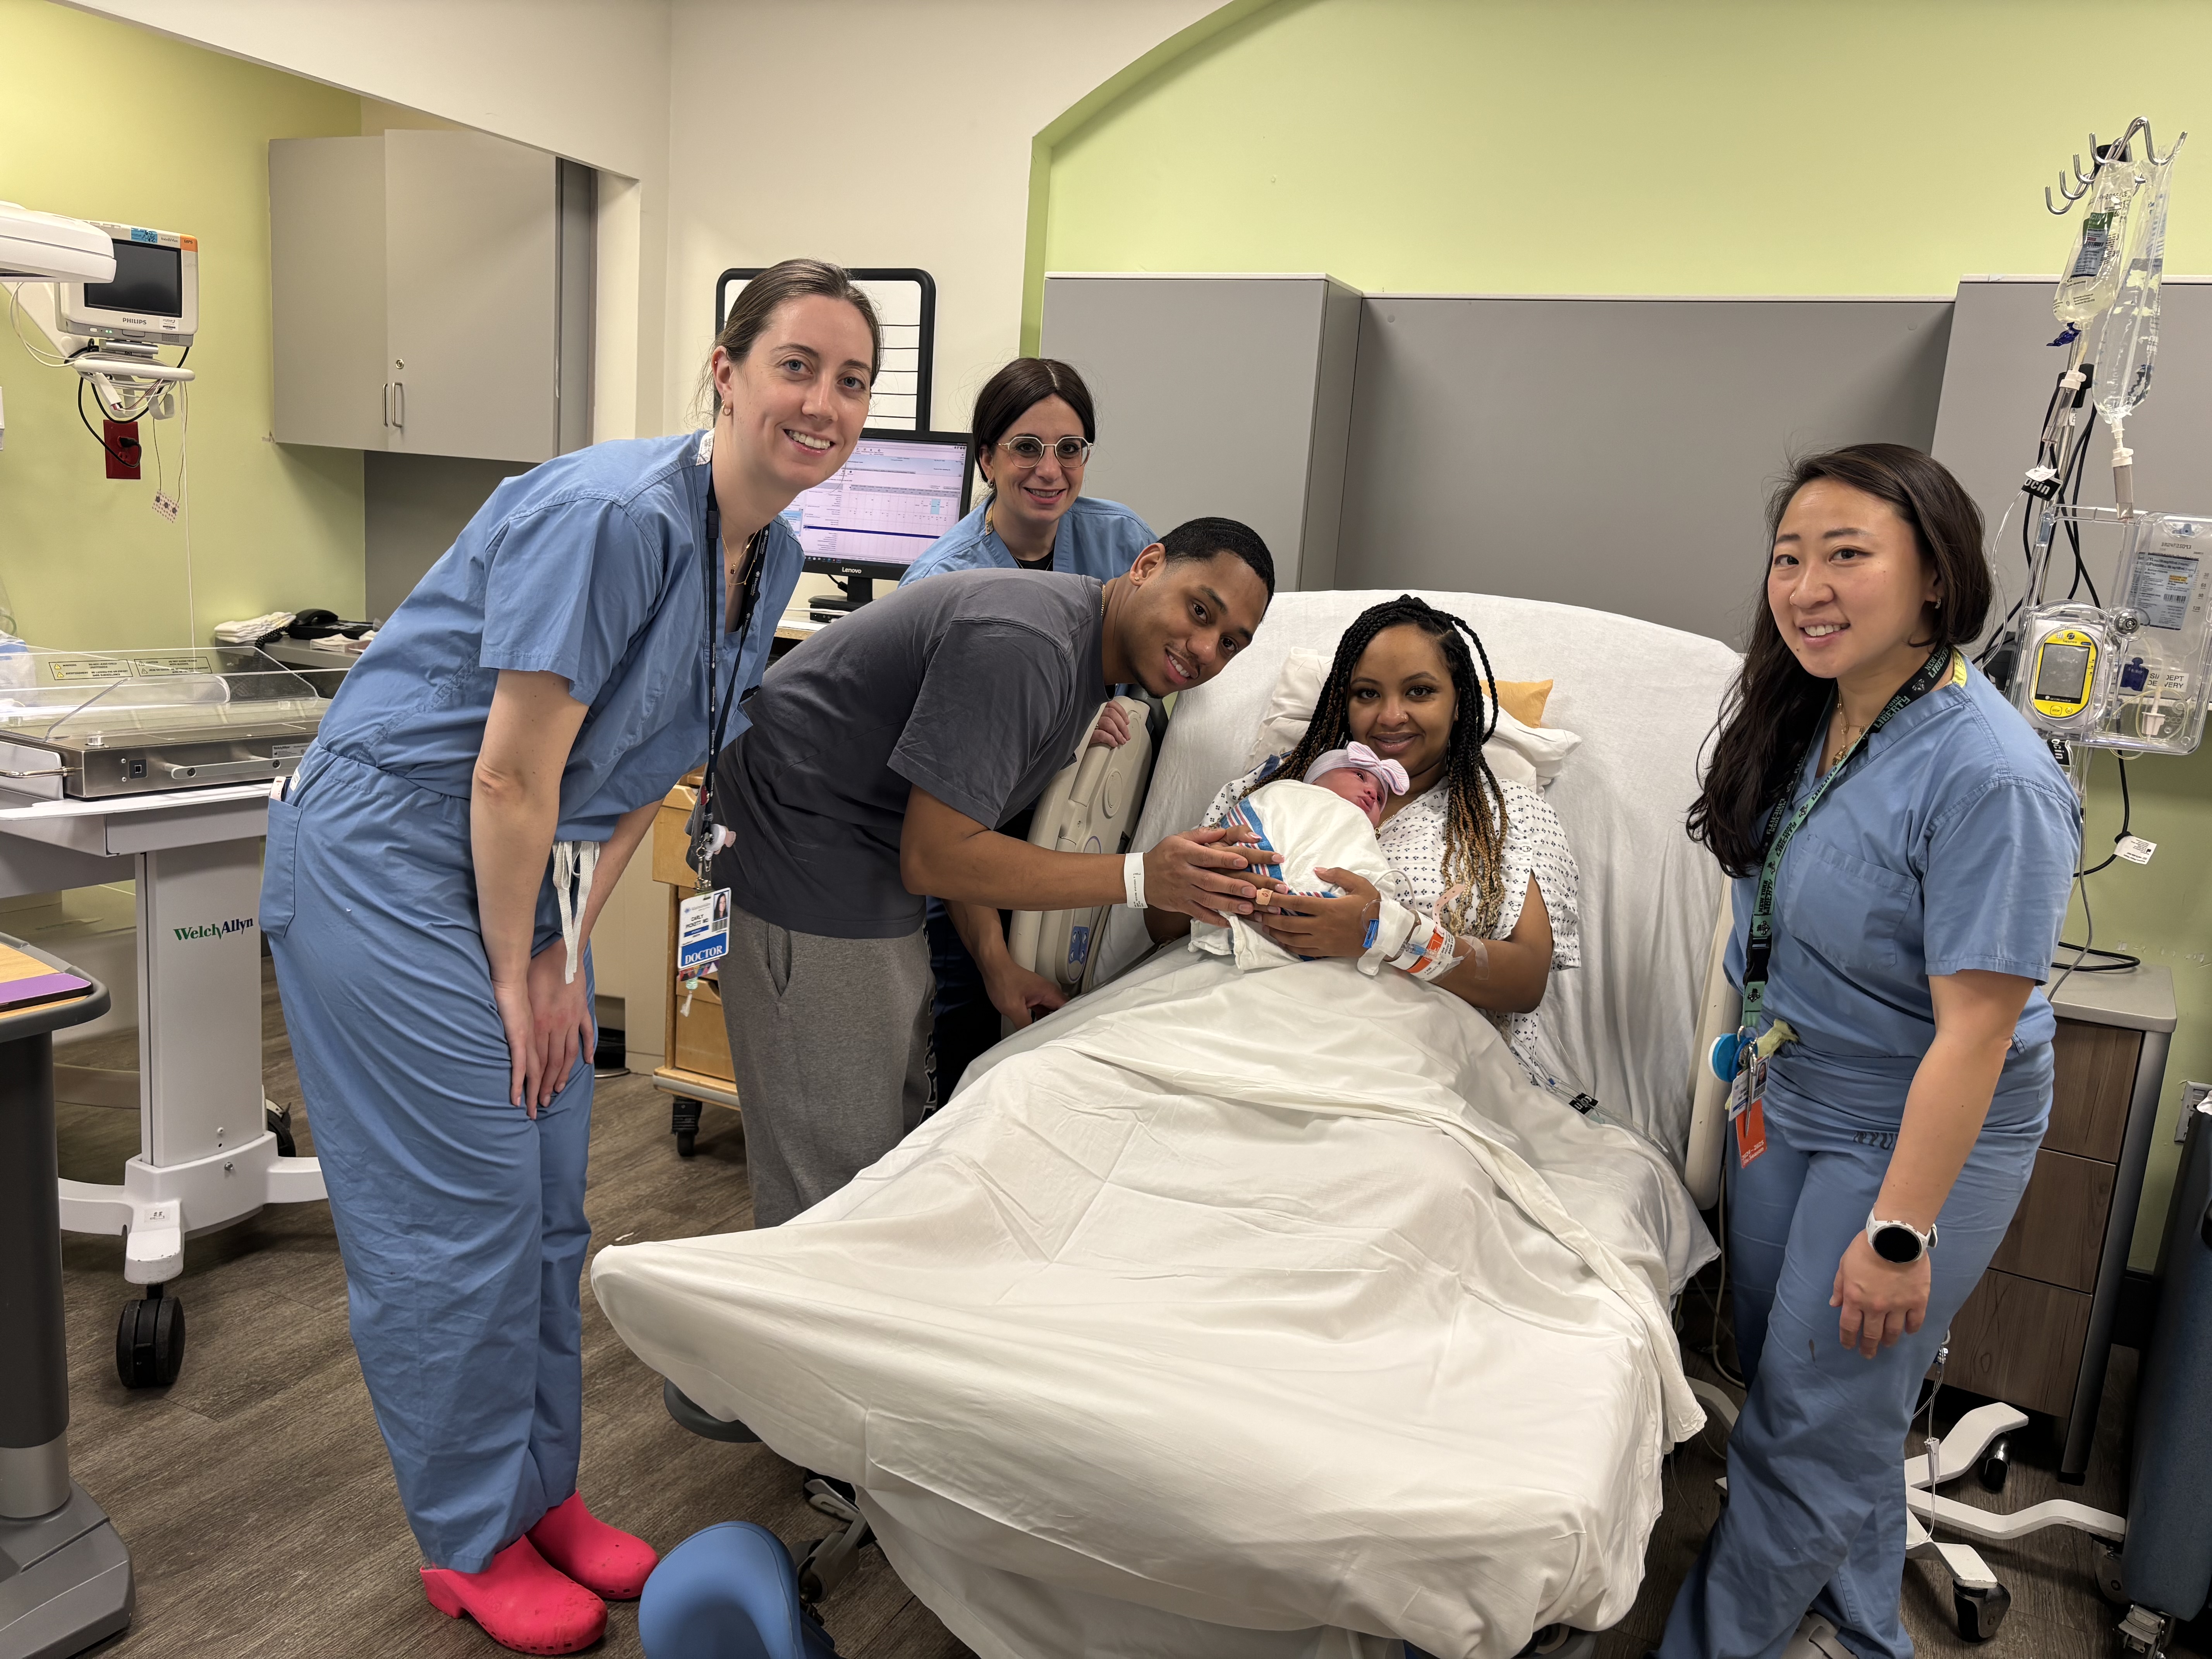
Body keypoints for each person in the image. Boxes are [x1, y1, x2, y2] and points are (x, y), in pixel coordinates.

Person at [260, 260, 881, 1655]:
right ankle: (471, 1537)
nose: (824, 401)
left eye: (851, 380)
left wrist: (565, 961)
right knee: (459, 1214)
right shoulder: (611, 516)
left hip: (510, 865)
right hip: (386, 856)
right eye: (797, 364)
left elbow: (623, 786)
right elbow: (506, 775)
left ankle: (542, 1495)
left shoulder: (766, 557)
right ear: (725, 374)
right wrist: (512, 975)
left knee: (548, 1194)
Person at [1656, 445, 2081, 1659]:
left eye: (1847, 555)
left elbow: (1977, 1034)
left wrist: (1900, 1234)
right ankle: (1850, 1620)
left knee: (1801, 1419)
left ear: (1935, 581)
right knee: (1815, 1393)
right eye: (1788, 558)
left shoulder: (1990, 775)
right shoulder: (1808, 715)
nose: (1805, 586)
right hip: (1788, 1096)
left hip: (1912, 1127)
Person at [708, 518, 1278, 1228]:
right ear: (1147, 564)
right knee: (829, 1181)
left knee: (888, 1130)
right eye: (1200, 611)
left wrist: (996, 963)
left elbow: (955, 824)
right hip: (798, 851)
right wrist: (1139, 877)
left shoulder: (1084, 669)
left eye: (1231, 643)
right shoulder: (1028, 647)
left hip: (868, 854)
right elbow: (936, 854)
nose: (1205, 650)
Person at [1151, 596, 1581, 1072]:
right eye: (1367, 693)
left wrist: (1384, 934)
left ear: (1460, 702)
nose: (1391, 716)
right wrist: (1211, 885)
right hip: (1223, 1022)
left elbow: (1525, 982)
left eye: (1420, 692)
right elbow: (1161, 926)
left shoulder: (1506, 814)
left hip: (1404, 1060)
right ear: (1343, 700)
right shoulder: (1273, 787)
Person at [898, 357, 1158, 1099]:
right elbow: (943, 807)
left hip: (1091, 832)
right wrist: (1073, 723)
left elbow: (1166, 671)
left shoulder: (1122, 542)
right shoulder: (945, 583)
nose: (1050, 470)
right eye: (1025, 447)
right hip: (975, 846)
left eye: (1069, 449)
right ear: (986, 458)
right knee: (971, 1041)